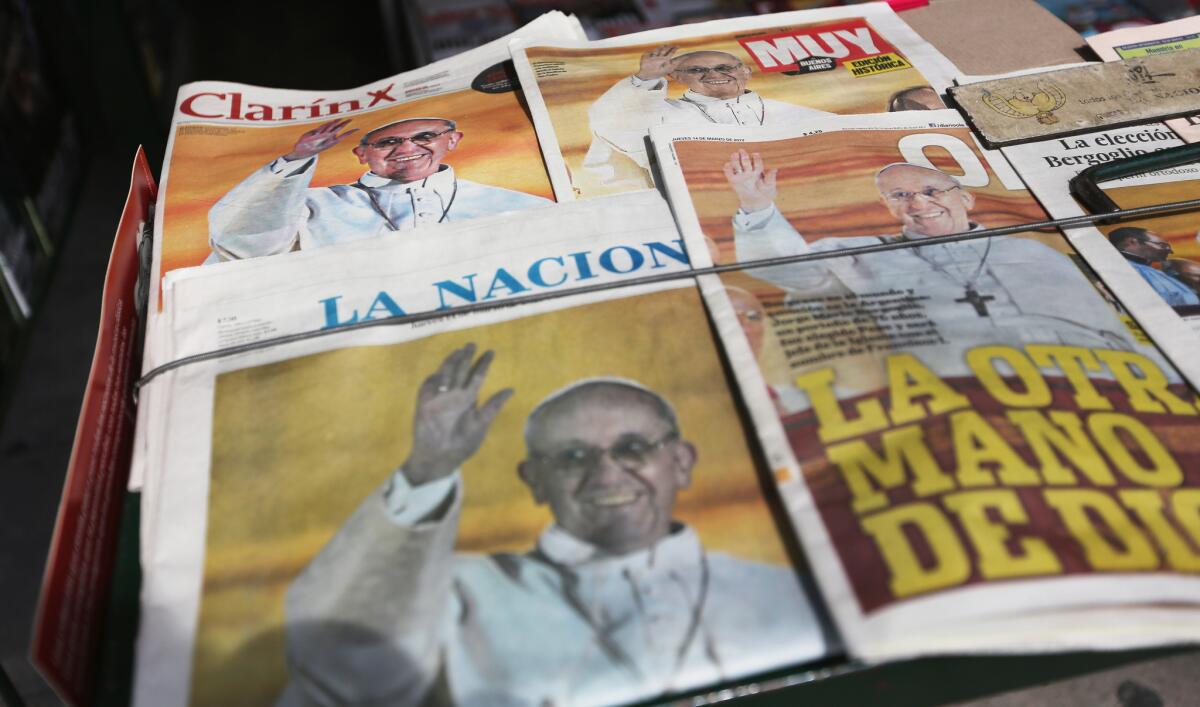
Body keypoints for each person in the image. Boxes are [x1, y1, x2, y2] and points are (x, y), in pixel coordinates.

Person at [280, 344, 827, 707]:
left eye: (633, 448)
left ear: (681, 462)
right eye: (571, 457)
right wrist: (428, 471)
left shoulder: (785, 591)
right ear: (534, 480)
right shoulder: (463, 588)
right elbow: (341, 668)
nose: (606, 472)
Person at [724, 149, 1141, 374]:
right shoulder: (856, 252)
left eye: (931, 191)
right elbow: (788, 271)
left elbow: (1111, 331)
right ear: (887, 206)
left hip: (1085, 379)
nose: (919, 203)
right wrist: (758, 206)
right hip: (952, 388)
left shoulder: (1037, 252)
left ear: (966, 198)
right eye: (900, 196)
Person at [207, 118, 552, 261]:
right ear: (361, 155)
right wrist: (297, 159)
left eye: (424, 137)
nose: (406, 149)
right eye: (388, 142)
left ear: (453, 140)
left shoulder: (516, 204)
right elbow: (239, 245)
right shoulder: (314, 205)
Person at [584, 47, 830, 186]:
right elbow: (612, 123)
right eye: (697, 70)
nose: (712, 74)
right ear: (677, 77)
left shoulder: (790, 111)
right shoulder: (658, 111)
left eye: (725, 67)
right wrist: (645, 79)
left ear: (746, 72)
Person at [1107, 227, 1200, 307]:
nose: (1170, 251)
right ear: (1132, 242)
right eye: (1163, 245)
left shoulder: (1148, 271)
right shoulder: (1126, 270)